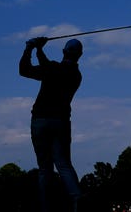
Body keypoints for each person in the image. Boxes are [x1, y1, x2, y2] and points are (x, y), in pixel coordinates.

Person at [19, 36, 83, 212]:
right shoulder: (76, 75)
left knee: (44, 168)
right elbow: (46, 68)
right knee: (63, 164)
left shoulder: (53, 69)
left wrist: (32, 48)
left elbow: (23, 70)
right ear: (80, 55)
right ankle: (77, 199)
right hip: (61, 122)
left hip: (40, 120)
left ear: (64, 52)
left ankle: (45, 207)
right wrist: (38, 49)